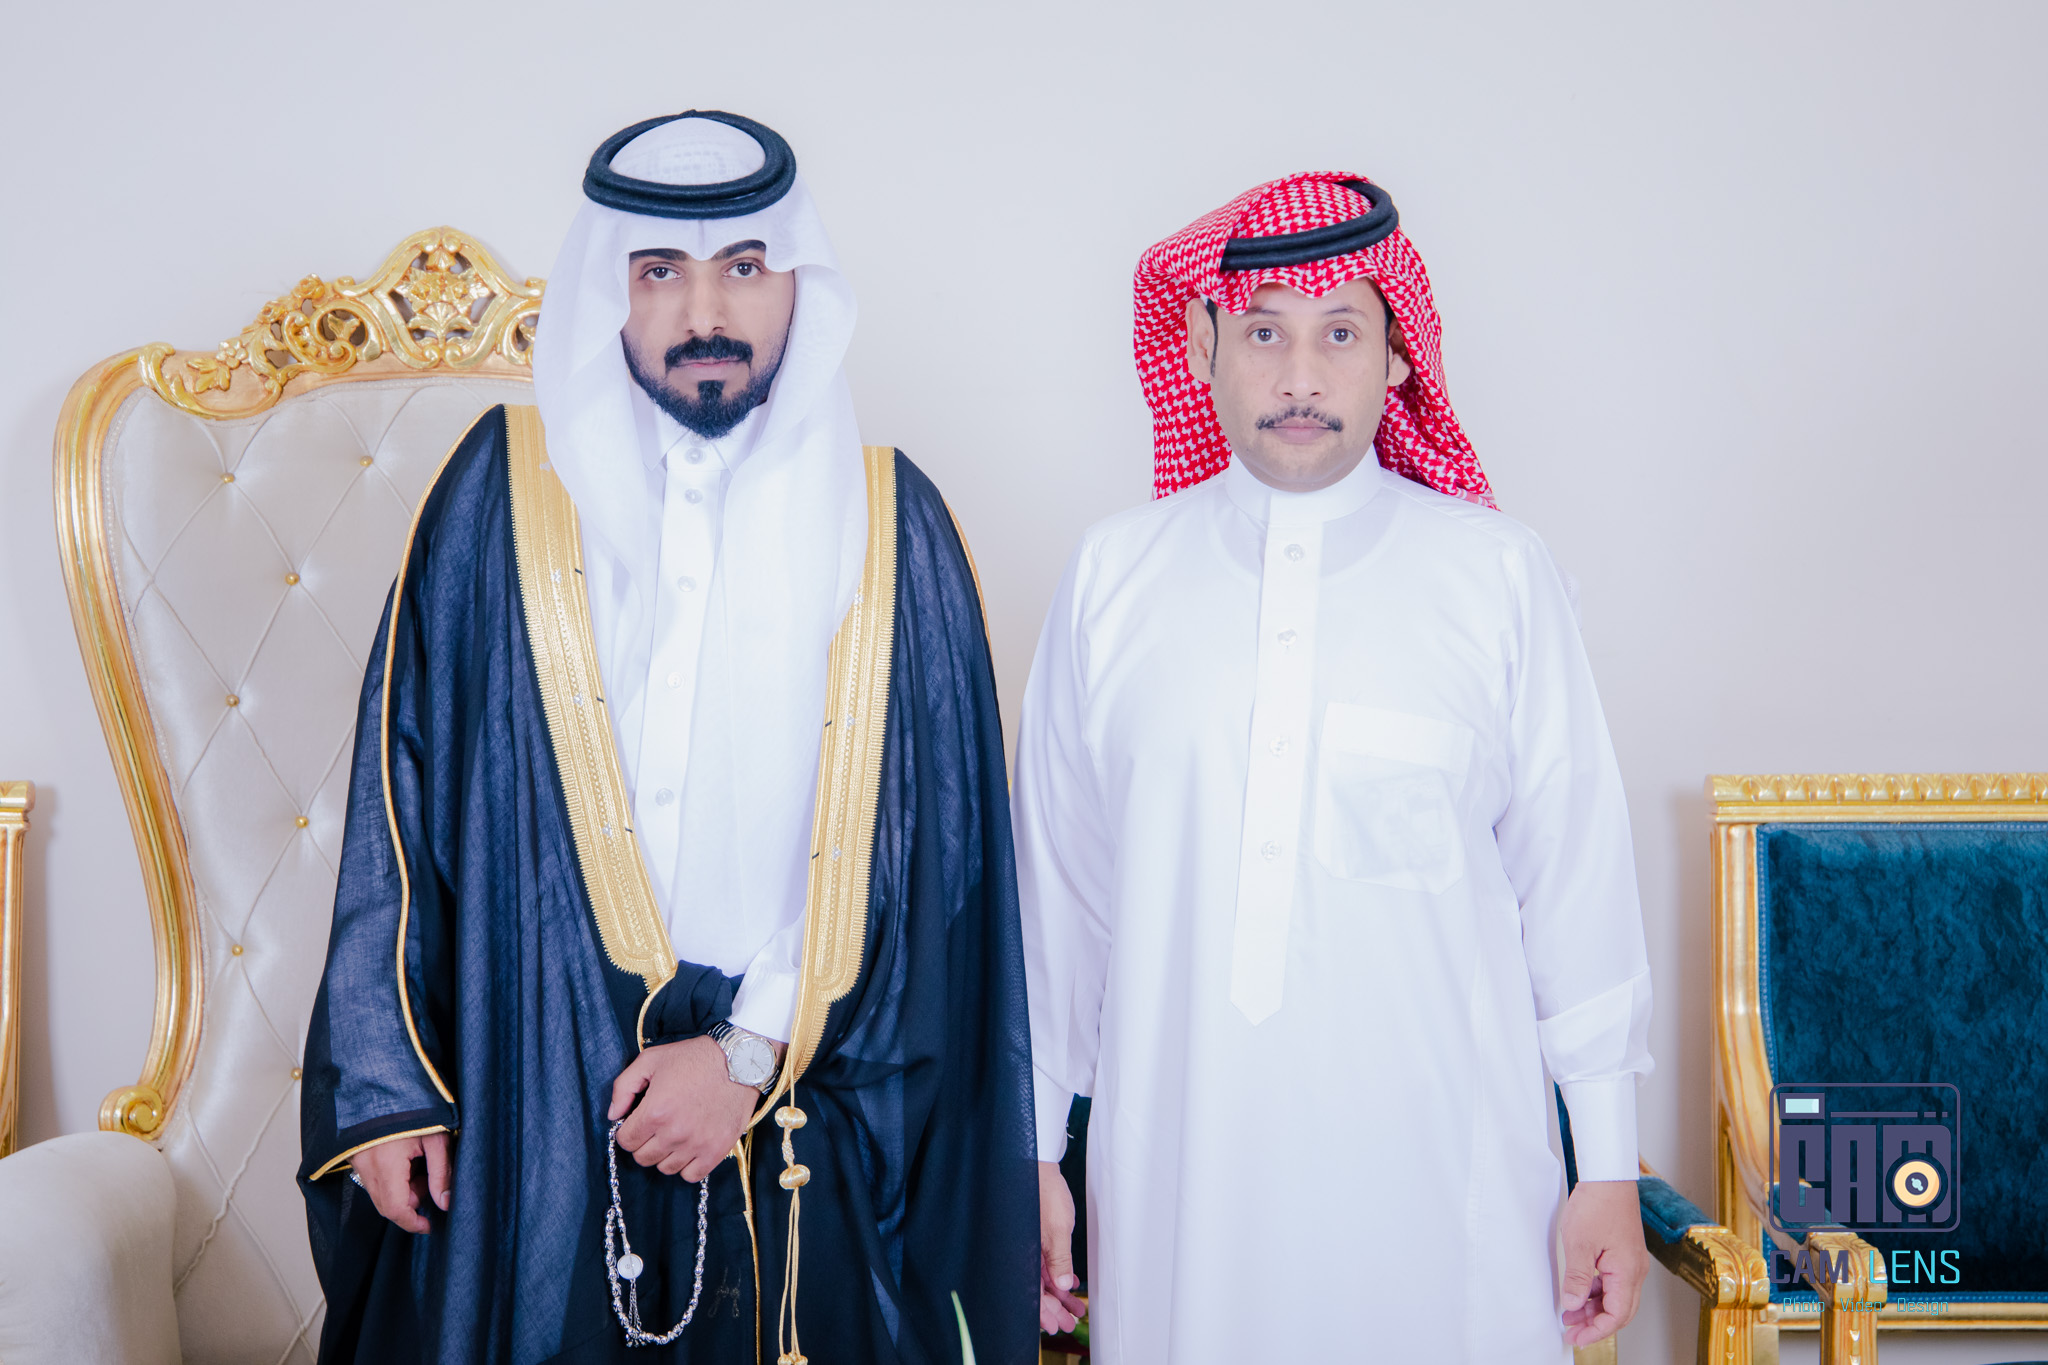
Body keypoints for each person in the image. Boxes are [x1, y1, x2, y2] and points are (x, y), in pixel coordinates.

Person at [298, 111, 1037, 1365]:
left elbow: (936, 854)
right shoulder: (501, 491)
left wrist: (749, 1052)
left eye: (744, 267)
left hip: (803, 1105)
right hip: (534, 1084)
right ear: (612, 294)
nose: (705, 312)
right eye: (659, 272)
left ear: (799, 287)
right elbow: (397, 785)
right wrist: (384, 1082)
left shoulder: (889, 522)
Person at [1016, 172, 1654, 1362]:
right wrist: (1032, 1154)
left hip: (1449, 1195)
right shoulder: (1113, 579)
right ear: (1201, 346)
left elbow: (1574, 889)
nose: (1299, 376)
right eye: (1263, 333)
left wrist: (1606, 1168)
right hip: (1180, 1190)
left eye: (1340, 334)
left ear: (1398, 357)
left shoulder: (1497, 577)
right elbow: (1058, 907)